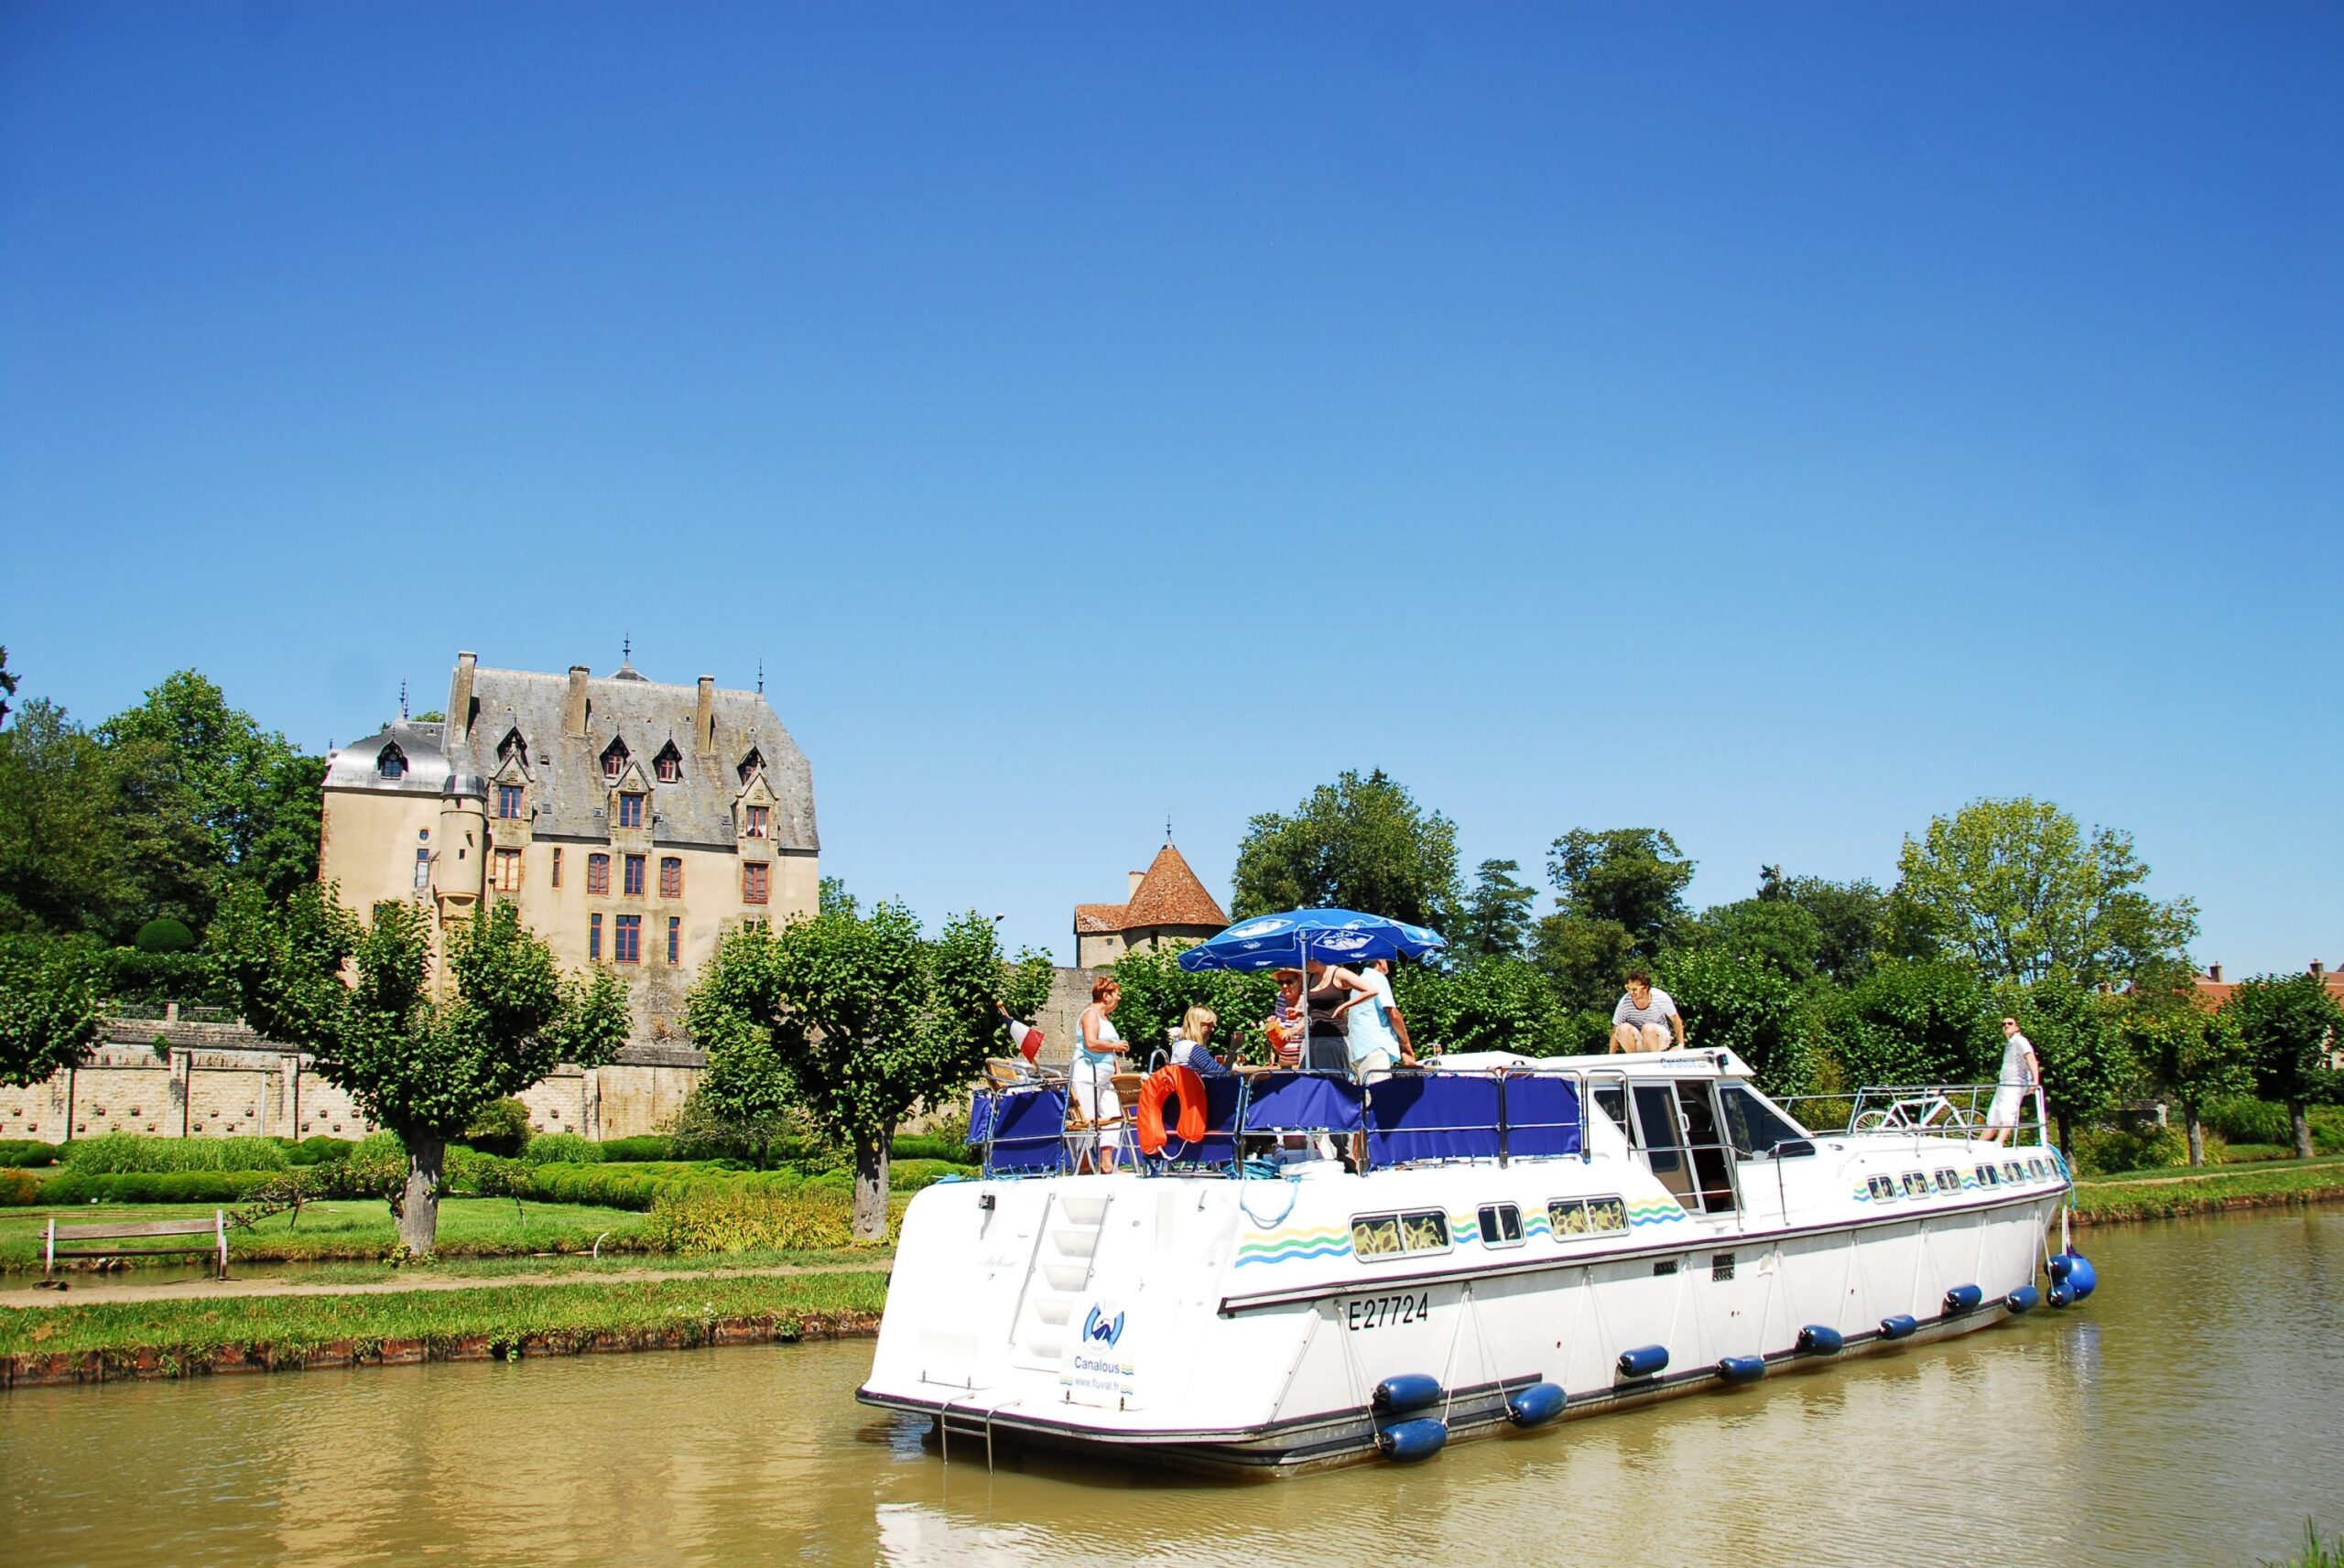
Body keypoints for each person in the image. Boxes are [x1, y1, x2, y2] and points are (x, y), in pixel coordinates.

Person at [1071, 976, 1129, 1172]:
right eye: (1116, 994)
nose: (1119, 998)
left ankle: (1106, 1164)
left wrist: (1117, 1073)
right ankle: (1084, 1164)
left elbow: (1110, 1054)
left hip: (1106, 1074)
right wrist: (1115, 1045)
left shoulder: (1106, 1018)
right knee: (1087, 1117)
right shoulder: (1090, 1015)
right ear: (1106, 996)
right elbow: (1091, 1043)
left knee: (1113, 1114)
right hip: (1088, 1072)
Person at [1340, 958, 1416, 1080]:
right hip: (1374, 1048)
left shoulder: (1359, 982)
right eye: (1386, 960)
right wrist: (1406, 1045)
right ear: (1379, 961)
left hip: (1357, 1050)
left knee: (1365, 1096)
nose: (1388, 964)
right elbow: (1394, 1015)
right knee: (1377, 1094)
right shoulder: (1376, 977)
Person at [1305, 959, 1378, 1073]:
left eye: (1308, 961)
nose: (1306, 965)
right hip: (1312, 1036)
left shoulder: (1339, 973)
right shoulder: (1310, 976)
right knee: (1309, 1082)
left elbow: (1371, 990)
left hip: (1332, 1037)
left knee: (1331, 1082)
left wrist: (1344, 1006)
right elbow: (1313, 1007)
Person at [1982, 1017, 2041, 1147]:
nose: (2006, 1026)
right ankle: (1978, 1144)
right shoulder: (2009, 1044)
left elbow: (2030, 1058)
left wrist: (2035, 1080)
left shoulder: (2020, 1041)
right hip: (2003, 1083)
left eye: (2010, 1023)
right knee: (1994, 1115)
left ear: (2017, 1027)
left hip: (2015, 1083)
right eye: (2003, 1024)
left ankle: (1999, 1142)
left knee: (2008, 1112)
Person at [1611, 971, 1686, 1053]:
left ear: (1645, 988)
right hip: (1638, 1040)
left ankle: (1655, 1059)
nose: (1631, 992)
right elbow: (1615, 1030)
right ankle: (1633, 1059)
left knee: (1648, 1029)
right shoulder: (1624, 1002)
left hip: (1660, 1038)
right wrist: (1611, 1057)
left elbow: (1676, 1020)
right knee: (1622, 1028)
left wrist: (1680, 1045)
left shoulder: (1661, 997)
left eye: (1635, 989)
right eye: (1628, 988)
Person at [1261, 969, 1308, 1068]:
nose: (1284, 986)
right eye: (1281, 983)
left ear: (1299, 981)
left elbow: (1310, 1021)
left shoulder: (1308, 998)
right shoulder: (1281, 997)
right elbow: (1281, 1020)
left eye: (1289, 982)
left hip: (1304, 1060)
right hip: (1284, 1059)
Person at [1171, 1006, 1229, 1075]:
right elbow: (1222, 1073)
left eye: (1213, 1026)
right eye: (1209, 1025)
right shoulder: (1193, 1048)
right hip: (1192, 1085)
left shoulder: (1179, 1045)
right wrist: (1233, 1049)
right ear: (1197, 1024)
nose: (1212, 1029)